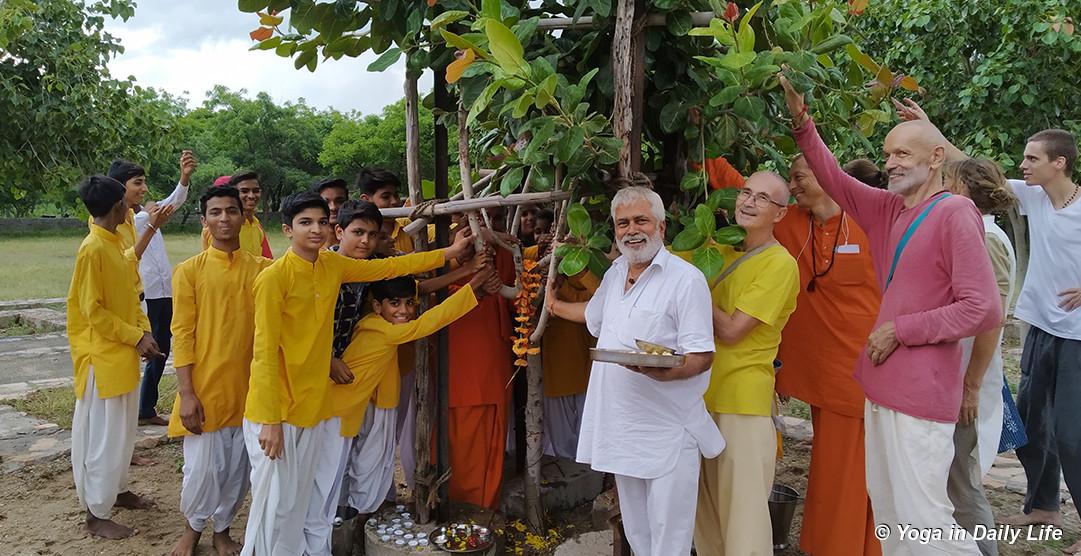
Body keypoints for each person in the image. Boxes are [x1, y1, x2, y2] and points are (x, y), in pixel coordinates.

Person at [779, 72, 1002, 555]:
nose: (891, 162)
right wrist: (801, 121)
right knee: (892, 518)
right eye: (887, 154)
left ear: (936, 157)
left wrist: (902, 329)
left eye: (902, 153)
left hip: (921, 395)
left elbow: (982, 308)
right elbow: (833, 176)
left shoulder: (954, 213)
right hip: (880, 389)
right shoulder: (888, 210)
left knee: (925, 523)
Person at [240, 191, 471, 555]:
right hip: (278, 409)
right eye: (305, 223)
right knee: (277, 505)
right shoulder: (274, 279)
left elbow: (391, 268)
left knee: (308, 497)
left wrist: (449, 254)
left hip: (314, 404)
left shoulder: (332, 268)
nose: (315, 229)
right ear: (287, 230)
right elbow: (264, 352)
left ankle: (315, 551)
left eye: (320, 222)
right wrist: (269, 419)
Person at [546, 186, 722, 555]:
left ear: (661, 226)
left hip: (667, 430)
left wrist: (661, 372)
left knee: (669, 536)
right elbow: (594, 318)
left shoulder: (686, 280)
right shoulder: (614, 273)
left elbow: (702, 355)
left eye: (641, 220)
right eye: (623, 223)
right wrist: (554, 305)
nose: (631, 230)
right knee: (638, 531)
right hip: (620, 426)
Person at [775, 155, 883, 556]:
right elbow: (746, 193)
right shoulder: (790, 222)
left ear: (826, 176)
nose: (793, 185)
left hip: (865, 370)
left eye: (799, 176)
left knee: (848, 469)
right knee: (833, 465)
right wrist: (706, 161)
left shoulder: (872, 222)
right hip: (820, 371)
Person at [692, 172, 800, 556]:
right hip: (698, 398)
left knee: (744, 522)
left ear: (780, 214)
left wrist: (693, 288)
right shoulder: (714, 249)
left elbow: (734, 330)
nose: (749, 202)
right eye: (745, 192)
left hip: (743, 402)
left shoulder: (780, 264)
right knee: (704, 519)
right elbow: (653, 263)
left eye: (763, 198)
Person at [167, 186, 271, 556]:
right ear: (204, 221)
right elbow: (181, 334)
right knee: (201, 472)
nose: (224, 218)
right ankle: (192, 529)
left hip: (249, 389)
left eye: (231, 211)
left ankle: (222, 530)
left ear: (243, 218)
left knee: (238, 472)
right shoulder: (189, 272)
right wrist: (188, 393)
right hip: (205, 389)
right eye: (216, 212)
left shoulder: (261, 270)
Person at [998, 128, 1081, 555]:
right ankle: (1044, 506)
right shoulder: (1034, 196)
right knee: (1032, 422)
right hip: (1040, 328)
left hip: (1077, 337)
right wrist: (927, 129)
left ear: (1059, 162)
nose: (1023, 165)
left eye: (1031, 159)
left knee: (1072, 433)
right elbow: (975, 170)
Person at [67, 175, 161, 540]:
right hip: (101, 360)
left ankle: (117, 491)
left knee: (122, 434)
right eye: (126, 199)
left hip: (122, 354)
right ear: (116, 207)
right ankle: (96, 512)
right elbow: (93, 312)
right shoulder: (92, 248)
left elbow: (130, 291)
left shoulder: (113, 244)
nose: (132, 203)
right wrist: (136, 337)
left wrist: (145, 332)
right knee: (104, 437)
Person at [941, 159, 1018, 556]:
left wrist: (970, 385)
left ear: (965, 190)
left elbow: (992, 317)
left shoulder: (984, 238)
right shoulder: (977, 231)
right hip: (957, 375)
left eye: (947, 182)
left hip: (966, 379)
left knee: (961, 483)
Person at [124, 152, 198, 427]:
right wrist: (182, 179)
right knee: (153, 350)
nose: (144, 189)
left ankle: (145, 408)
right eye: (137, 183)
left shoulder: (145, 216)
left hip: (165, 292)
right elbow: (171, 203)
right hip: (149, 296)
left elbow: (171, 203)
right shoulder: (133, 221)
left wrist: (184, 178)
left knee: (162, 349)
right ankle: (141, 409)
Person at [200, 172, 273, 259]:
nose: (251, 196)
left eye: (256, 191)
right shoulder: (225, 227)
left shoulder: (256, 227)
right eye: (244, 191)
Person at [313, 177, 350, 249]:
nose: (333, 207)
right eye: (326, 202)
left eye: (339, 201)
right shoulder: (308, 245)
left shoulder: (359, 242)